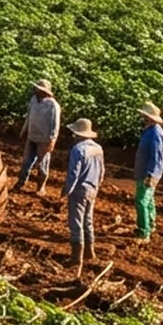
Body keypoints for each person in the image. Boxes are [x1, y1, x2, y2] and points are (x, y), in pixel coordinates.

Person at [63, 117, 104, 273]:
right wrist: (97, 185)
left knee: (76, 223)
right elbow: (102, 170)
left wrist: (67, 190)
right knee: (88, 220)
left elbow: (74, 173)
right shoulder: (98, 149)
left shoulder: (78, 149)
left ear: (77, 134)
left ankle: (76, 257)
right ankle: (89, 252)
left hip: (79, 190)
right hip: (93, 188)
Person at [132, 101, 163, 242]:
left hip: (148, 173)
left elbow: (157, 156)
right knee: (149, 200)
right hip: (144, 171)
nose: (143, 118)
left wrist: (151, 174)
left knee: (141, 201)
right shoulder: (150, 130)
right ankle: (151, 225)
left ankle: (143, 231)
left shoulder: (155, 133)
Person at [22, 79, 61, 195]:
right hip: (32, 135)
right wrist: (24, 130)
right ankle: (21, 182)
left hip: (45, 139)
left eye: (39, 89)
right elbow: (29, 116)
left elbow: (55, 124)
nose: (36, 91)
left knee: (42, 164)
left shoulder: (53, 105)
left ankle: (41, 187)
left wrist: (52, 141)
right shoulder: (33, 100)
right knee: (26, 161)